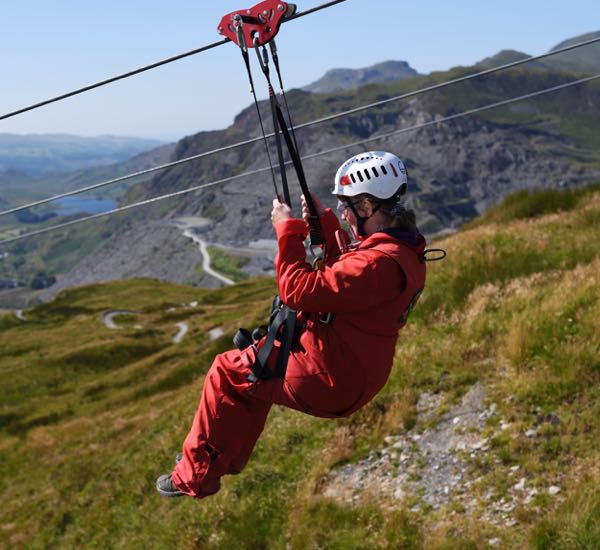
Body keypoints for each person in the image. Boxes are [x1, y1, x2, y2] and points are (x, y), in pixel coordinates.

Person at [156, 150, 427, 498]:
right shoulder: (401, 249)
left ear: (367, 207)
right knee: (253, 374)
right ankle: (218, 460)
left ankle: (194, 477)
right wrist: (323, 221)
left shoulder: (376, 266)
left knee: (228, 371)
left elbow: (298, 290)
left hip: (333, 379)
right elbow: (350, 271)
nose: (343, 213)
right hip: (352, 368)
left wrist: (287, 232)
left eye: (346, 206)